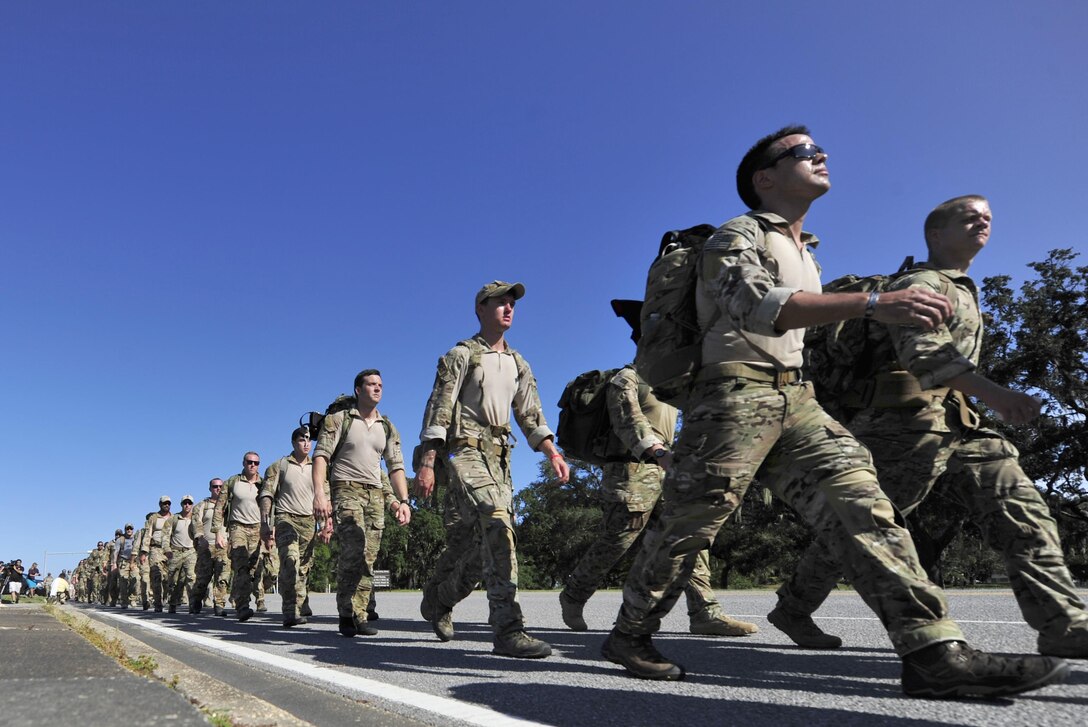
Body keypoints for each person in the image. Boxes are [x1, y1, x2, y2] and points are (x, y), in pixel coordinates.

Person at [601, 125, 1069, 699]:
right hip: (732, 399)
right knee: (688, 525)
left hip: (798, 400)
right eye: (802, 152)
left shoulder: (806, 248)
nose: (819, 156)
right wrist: (877, 303)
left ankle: (932, 652)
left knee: (865, 505)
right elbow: (757, 307)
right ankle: (629, 634)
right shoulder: (737, 235)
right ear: (765, 178)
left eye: (819, 149)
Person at [774, 195, 1088, 659]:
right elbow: (925, 356)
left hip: (961, 424)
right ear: (936, 234)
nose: (983, 221)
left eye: (987, 217)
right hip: (902, 426)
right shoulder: (923, 282)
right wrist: (999, 395)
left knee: (1021, 510)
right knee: (867, 531)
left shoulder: (963, 287)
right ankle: (794, 606)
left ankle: (1063, 624)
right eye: (969, 217)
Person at [560, 302, 758, 637]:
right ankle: (573, 595)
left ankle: (704, 613)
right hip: (630, 472)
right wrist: (657, 450)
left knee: (689, 537)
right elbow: (628, 422)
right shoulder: (627, 379)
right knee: (617, 541)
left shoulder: (671, 384)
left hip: (667, 470)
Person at [415, 281, 570, 659]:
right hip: (465, 453)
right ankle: (508, 629)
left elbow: (530, 414)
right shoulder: (461, 355)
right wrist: (428, 463)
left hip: (501, 459)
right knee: (500, 528)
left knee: (477, 547)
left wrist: (552, 452)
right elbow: (439, 410)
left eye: (511, 303)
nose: (508, 307)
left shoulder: (519, 363)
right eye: (499, 301)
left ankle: (439, 599)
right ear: (480, 309)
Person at [312, 370, 412, 638]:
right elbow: (320, 457)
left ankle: (360, 614)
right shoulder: (339, 420)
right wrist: (320, 494)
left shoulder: (387, 427)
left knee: (369, 556)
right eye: (371, 384)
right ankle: (346, 613)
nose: (377, 389)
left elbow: (396, 466)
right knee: (353, 550)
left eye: (380, 384)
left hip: (376, 493)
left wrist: (403, 501)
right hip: (345, 489)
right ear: (358, 389)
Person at [260, 427, 318, 628]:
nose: (306, 443)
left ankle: (299, 606)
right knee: (290, 561)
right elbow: (267, 494)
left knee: (303, 568)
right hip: (286, 519)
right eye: (302, 440)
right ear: (294, 443)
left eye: (309, 440)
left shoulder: (317, 467)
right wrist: (265, 523)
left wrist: (328, 521)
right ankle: (289, 611)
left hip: (309, 521)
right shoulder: (280, 466)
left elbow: (324, 494)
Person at [213, 453, 265, 622]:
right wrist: (218, 532)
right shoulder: (233, 482)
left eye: (256, 463)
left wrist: (270, 531)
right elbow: (219, 507)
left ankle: (237, 597)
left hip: (257, 529)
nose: (252, 465)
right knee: (241, 567)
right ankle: (243, 607)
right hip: (238, 528)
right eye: (249, 462)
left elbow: (270, 507)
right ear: (243, 463)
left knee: (254, 570)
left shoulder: (263, 483)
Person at [192, 478, 229, 615]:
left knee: (222, 577)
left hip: (223, 546)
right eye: (215, 486)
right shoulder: (202, 506)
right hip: (206, 547)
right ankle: (196, 601)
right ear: (210, 488)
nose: (218, 489)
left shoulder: (228, 505)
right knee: (203, 578)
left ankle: (219, 605)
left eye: (220, 486)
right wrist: (200, 537)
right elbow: (196, 523)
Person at [162, 495, 198, 613]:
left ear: (192, 504)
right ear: (181, 504)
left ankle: (193, 605)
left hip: (191, 551)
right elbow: (165, 535)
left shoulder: (196, 518)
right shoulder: (173, 519)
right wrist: (167, 549)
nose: (187, 505)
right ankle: (172, 603)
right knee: (173, 580)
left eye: (189, 503)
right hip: (175, 552)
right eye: (185, 503)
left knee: (191, 577)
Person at [141, 497, 173, 612]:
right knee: (156, 577)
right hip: (156, 549)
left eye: (168, 503)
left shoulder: (173, 518)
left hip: (169, 550)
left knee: (168, 578)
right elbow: (148, 535)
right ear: (160, 504)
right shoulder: (154, 518)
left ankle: (165, 599)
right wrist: (144, 552)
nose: (167, 505)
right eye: (164, 503)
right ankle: (158, 604)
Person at [113, 523, 139, 608]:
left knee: (136, 580)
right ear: (125, 530)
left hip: (134, 562)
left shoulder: (136, 538)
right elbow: (116, 552)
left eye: (131, 529)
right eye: (127, 529)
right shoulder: (120, 539)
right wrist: (114, 564)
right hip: (123, 563)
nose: (129, 530)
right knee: (123, 583)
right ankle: (124, 601)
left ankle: (133, 599)